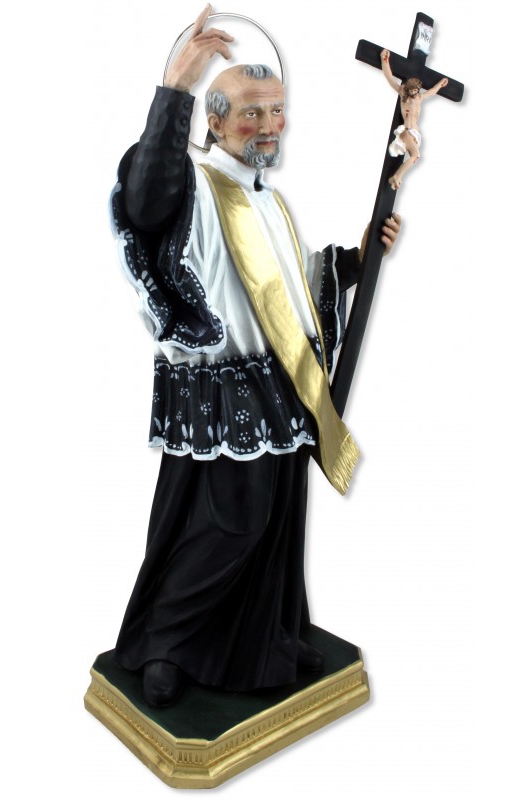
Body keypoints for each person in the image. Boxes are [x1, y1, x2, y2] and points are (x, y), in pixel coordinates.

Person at [110, 5, 401, 707]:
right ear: (212, 121)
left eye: (276, 109)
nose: (270, 125)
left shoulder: (267, 198)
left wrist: (356, 260)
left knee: (275, 523)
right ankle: (165, 646)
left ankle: (264, 639)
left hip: (280, 385)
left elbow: (290, 282)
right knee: (224, 527)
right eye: (251, 112)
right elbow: (147, 202)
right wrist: (174, 89)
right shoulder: (196, 187)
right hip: (224, 391)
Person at [381, 47, 448, 190]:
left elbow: (431, 92)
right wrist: (384, 60)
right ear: (408, 89)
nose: (414, 92)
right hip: (407, 131)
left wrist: (440, 85)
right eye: (412, 90)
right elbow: (389, 77)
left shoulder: (419, 97)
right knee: (416, 155)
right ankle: (396, 177)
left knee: (415, 158)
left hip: (415, 133)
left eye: (416, 90)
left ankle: (396, 178)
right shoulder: (403, 95)